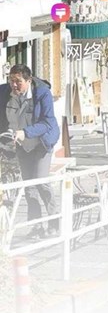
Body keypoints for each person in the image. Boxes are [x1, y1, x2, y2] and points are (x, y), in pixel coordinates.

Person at [0, 64, 60, 232]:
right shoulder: (4, 92)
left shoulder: (42, 93)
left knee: (40, 181)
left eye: (18, 81)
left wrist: (25, 132)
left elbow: (47, 122)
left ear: (28, 80)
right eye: (11, 80)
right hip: (21, 144)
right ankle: (36, 226)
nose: (14, 85)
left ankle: (54, 222)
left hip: (41, 142)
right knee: (29, 185)